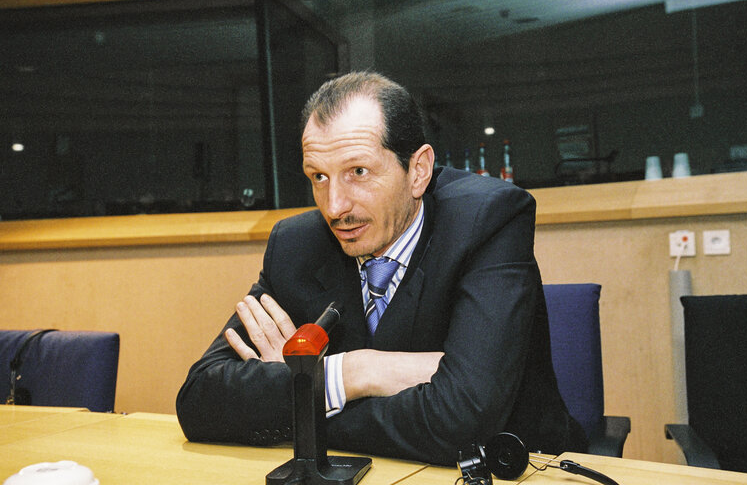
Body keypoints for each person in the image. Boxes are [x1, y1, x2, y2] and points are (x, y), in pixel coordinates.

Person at [176, 71, 587, 465]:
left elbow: (463, 419)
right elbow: (199, 402)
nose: (334, 206)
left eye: (358, 172)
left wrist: (298, 401)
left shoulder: (488, 220)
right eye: (319, 176)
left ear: (418, 171)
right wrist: (356, 372)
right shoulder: (297, 244)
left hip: (520, 470)